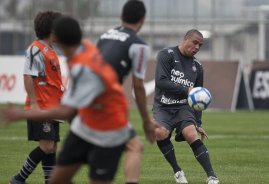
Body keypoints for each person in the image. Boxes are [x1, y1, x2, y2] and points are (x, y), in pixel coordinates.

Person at [2, 16, 129, 184]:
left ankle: (19, 179)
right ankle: (22, 180)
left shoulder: (83, 67)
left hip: (105, 130)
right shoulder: (85, 50)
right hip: (85, 124)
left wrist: (21, 114)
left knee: (53, 151)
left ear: (58, 38)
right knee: (51, 156)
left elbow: (68, 109)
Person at [97, 1, 155, 183]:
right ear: (143, 19)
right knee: (135, 146)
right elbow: (138, 86)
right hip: (105, 102)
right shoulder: (139, 45)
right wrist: (146, 121)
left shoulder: (105, 35)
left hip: (84, 98)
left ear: (121, 17)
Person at [153, 29, 220, 184]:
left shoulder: (198, 66)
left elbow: (198, 99)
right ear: (185, 39)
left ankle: (212, 177)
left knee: (191, 133)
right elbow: (161, 81)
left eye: (200, 45)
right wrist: (186, 89)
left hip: (184, 107)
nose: (197, 47)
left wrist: (198, 123)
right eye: (194, 42)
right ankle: (177, 171)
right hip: (163, 105)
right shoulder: (166, 54)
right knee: (160, 132)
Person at [9, 11, 63, 184]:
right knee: (46, 146)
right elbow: (28, 75)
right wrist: (34, 104)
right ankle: (19, 179)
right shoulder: (35, 49)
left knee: (52, 147)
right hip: (40, 107)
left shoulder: (51, 51)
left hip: (52, 107)